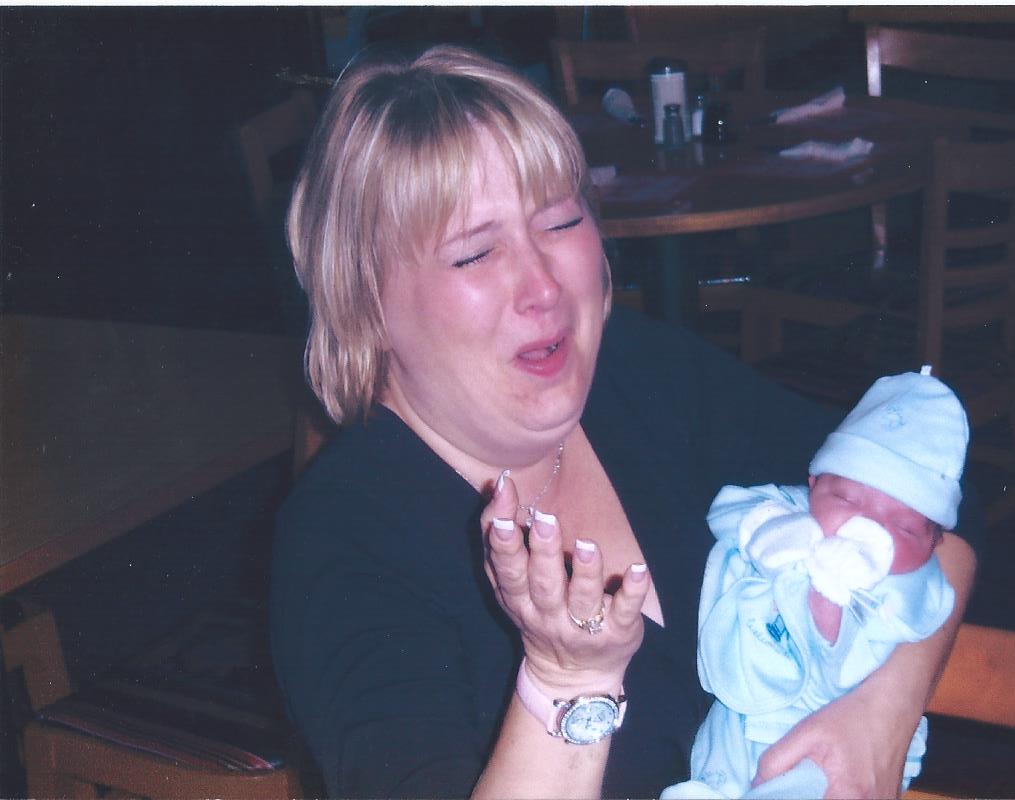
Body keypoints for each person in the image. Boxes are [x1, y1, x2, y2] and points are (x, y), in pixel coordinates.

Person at [269, 44, 978, 799]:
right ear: (366, 303)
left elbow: (939, 526)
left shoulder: (640, 374)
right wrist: (564, 683)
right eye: (475, 254)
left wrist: (881, 715)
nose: (543, 286)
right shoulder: (345, 540)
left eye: (560, 221)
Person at [662, 367, 967, 799]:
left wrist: (830, 606)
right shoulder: (794, 511)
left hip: (834, 742)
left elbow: (843, 677)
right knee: (714, 772)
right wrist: (770, 529)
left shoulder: (907, 592)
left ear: (933, 545)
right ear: (813, 485)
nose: (868, 524)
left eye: (903, 526)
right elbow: (726, 511)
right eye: (846, 498)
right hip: (739, 719)